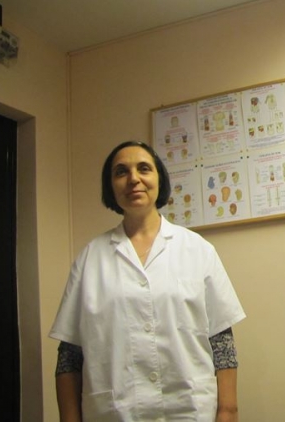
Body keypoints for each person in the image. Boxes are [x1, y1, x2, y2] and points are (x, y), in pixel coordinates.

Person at [49, 140, 246, 421]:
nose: (133, 179)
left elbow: (221, 341)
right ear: (110, 186)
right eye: (121, 172)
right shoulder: (90, 259)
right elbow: (69, 355)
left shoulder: (198, 250)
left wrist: (228, 411)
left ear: (159, 179)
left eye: (143, 168)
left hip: (189, 411)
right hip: (115, 413)